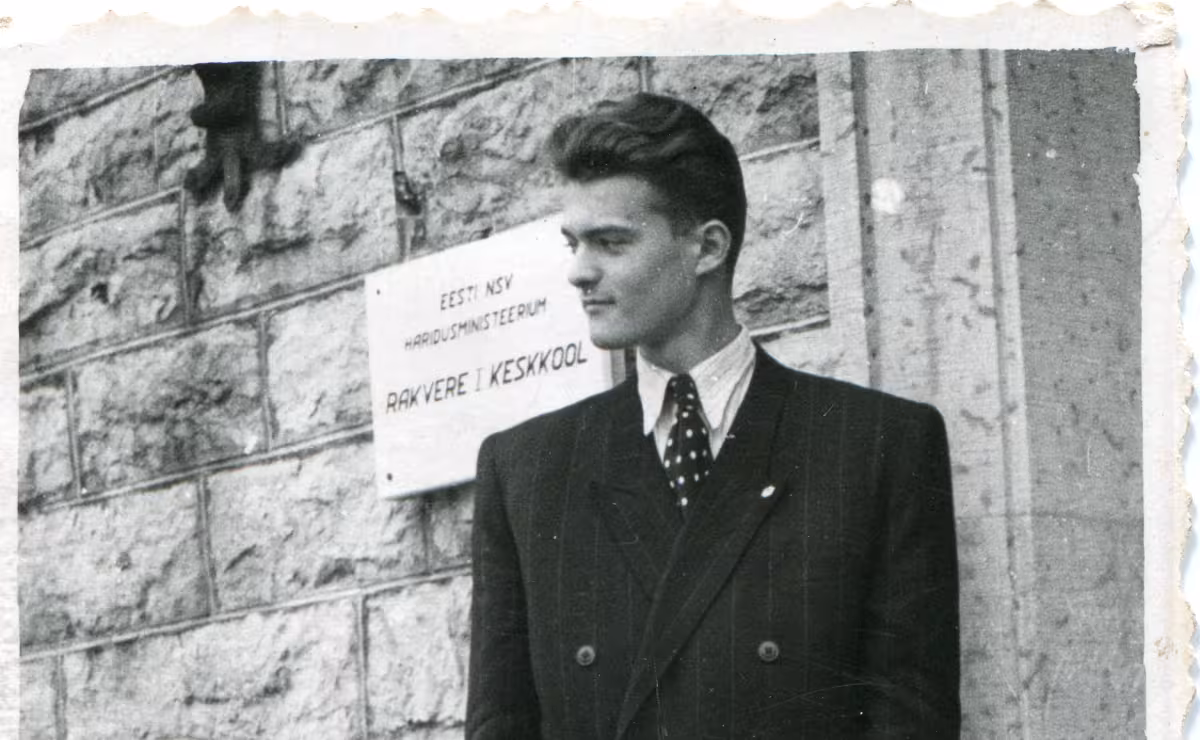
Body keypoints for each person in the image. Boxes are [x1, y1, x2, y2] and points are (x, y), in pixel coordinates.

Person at [466, 92, 960, 739]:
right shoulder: (526, 469)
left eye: (611, 242)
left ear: (707, 248)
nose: (579, 272)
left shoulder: (876, 445)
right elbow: (500, 726)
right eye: (573, 243)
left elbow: (911, 721)